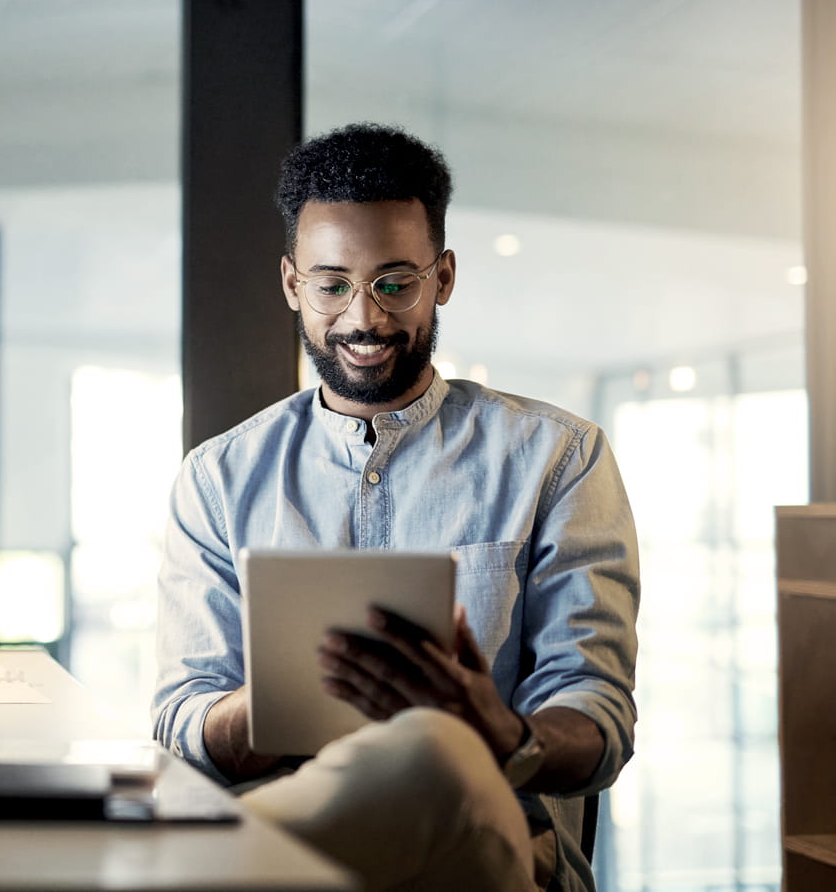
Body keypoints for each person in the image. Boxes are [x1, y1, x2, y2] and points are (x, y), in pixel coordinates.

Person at [152, 123, 639, 892]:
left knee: (437, 753)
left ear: (442, 277)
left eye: (393, 282)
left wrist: (499, 728)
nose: (364, 319)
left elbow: (599, 719)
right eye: (332, 283)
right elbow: (182, 717)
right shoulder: (217, 479)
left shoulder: (559, 457)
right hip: (293, 834)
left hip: (490, 844)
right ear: (292, 285)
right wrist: (270, 707)